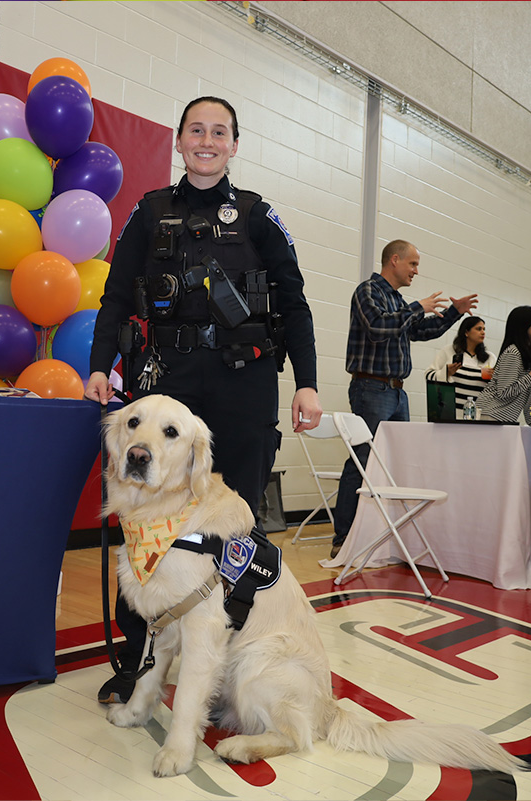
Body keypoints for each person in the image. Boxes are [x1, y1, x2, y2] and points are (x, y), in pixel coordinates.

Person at [84, 96, 323, 702]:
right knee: (143, 520)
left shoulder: (259, 216)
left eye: (220, 132)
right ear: (180, 141)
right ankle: (138, 660)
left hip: (243, 387)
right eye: (197, 130)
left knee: (234, 526)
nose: (208, 141)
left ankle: (228, 659)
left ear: (234, 144)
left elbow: (293, 301)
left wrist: (308, 380)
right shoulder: (149, 212)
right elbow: (114, 298)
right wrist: (98, 366)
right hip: (168, 384)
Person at [326, 240, 478, 558]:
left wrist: (454, 313)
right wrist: (415, 308)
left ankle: (386, 535)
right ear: (394, 260)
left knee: (397, 462)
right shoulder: (367, 291)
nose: (416, 271)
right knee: (363, 461)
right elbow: (378, 327)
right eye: (412, 264)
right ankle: (344, 537)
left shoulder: (398, 300)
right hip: (371, 389)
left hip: (397, 392)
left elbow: (422, 330)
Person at [475, 306, 531, 426]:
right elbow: (504, 392)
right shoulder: (513, 352)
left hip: (506, 419)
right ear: (523, 325)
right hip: (490, 415)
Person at [425, 316, 495, 418]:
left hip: (479, 417)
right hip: (450, 414)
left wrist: (494, 379)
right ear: (466, 332)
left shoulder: (490, 358)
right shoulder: (449, 351)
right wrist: (446, 373)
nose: (483, 332)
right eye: (478, 329)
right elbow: (428, 375)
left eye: (484, 329)